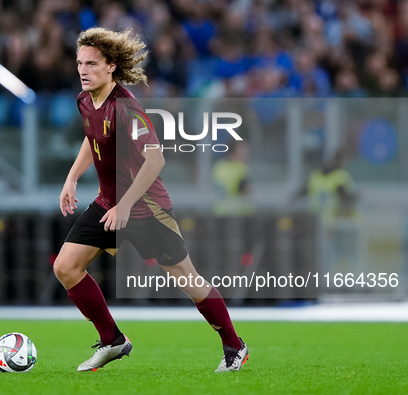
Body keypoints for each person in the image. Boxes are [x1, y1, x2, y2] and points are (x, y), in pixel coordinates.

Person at [54, 27, 248, 373]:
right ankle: (113, 341)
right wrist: (71, 178)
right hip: (108, 202)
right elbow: (92, 137)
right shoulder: (85, 100)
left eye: (92, 63)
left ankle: (235, 346)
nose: (83, 70)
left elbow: (155, 158)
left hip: (146, 207)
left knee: (187, 279)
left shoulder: (126, 107)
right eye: (80, 63)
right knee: (66, 267)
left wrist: (125, 205)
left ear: (111, 66)